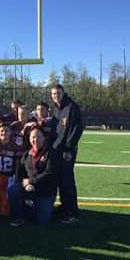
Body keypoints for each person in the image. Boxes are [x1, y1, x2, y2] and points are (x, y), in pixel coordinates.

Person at [8, 127, 59, 226]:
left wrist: (31, 181)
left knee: (42, 221)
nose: (36, 139)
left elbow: (49, 173)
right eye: (33, 137)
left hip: (45, 191)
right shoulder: (27, 154)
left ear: (44, 138)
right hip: (29, 189)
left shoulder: (51, 153)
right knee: (13, 190)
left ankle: (42, 208)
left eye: (39, 136)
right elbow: (20, 170)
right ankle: (17, 217)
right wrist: (23, 183)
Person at [51, 84, 84, 223]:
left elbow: (78, 128)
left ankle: (72, 213)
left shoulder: (71, 106)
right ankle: (65, 207)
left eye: (58, 93)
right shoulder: (57, 108)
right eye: (53, 94)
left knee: (67, 181)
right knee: (61, 181)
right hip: (58, 150)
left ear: (63, 93)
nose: (56, 96)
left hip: (66, 151)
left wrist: (69, 149)